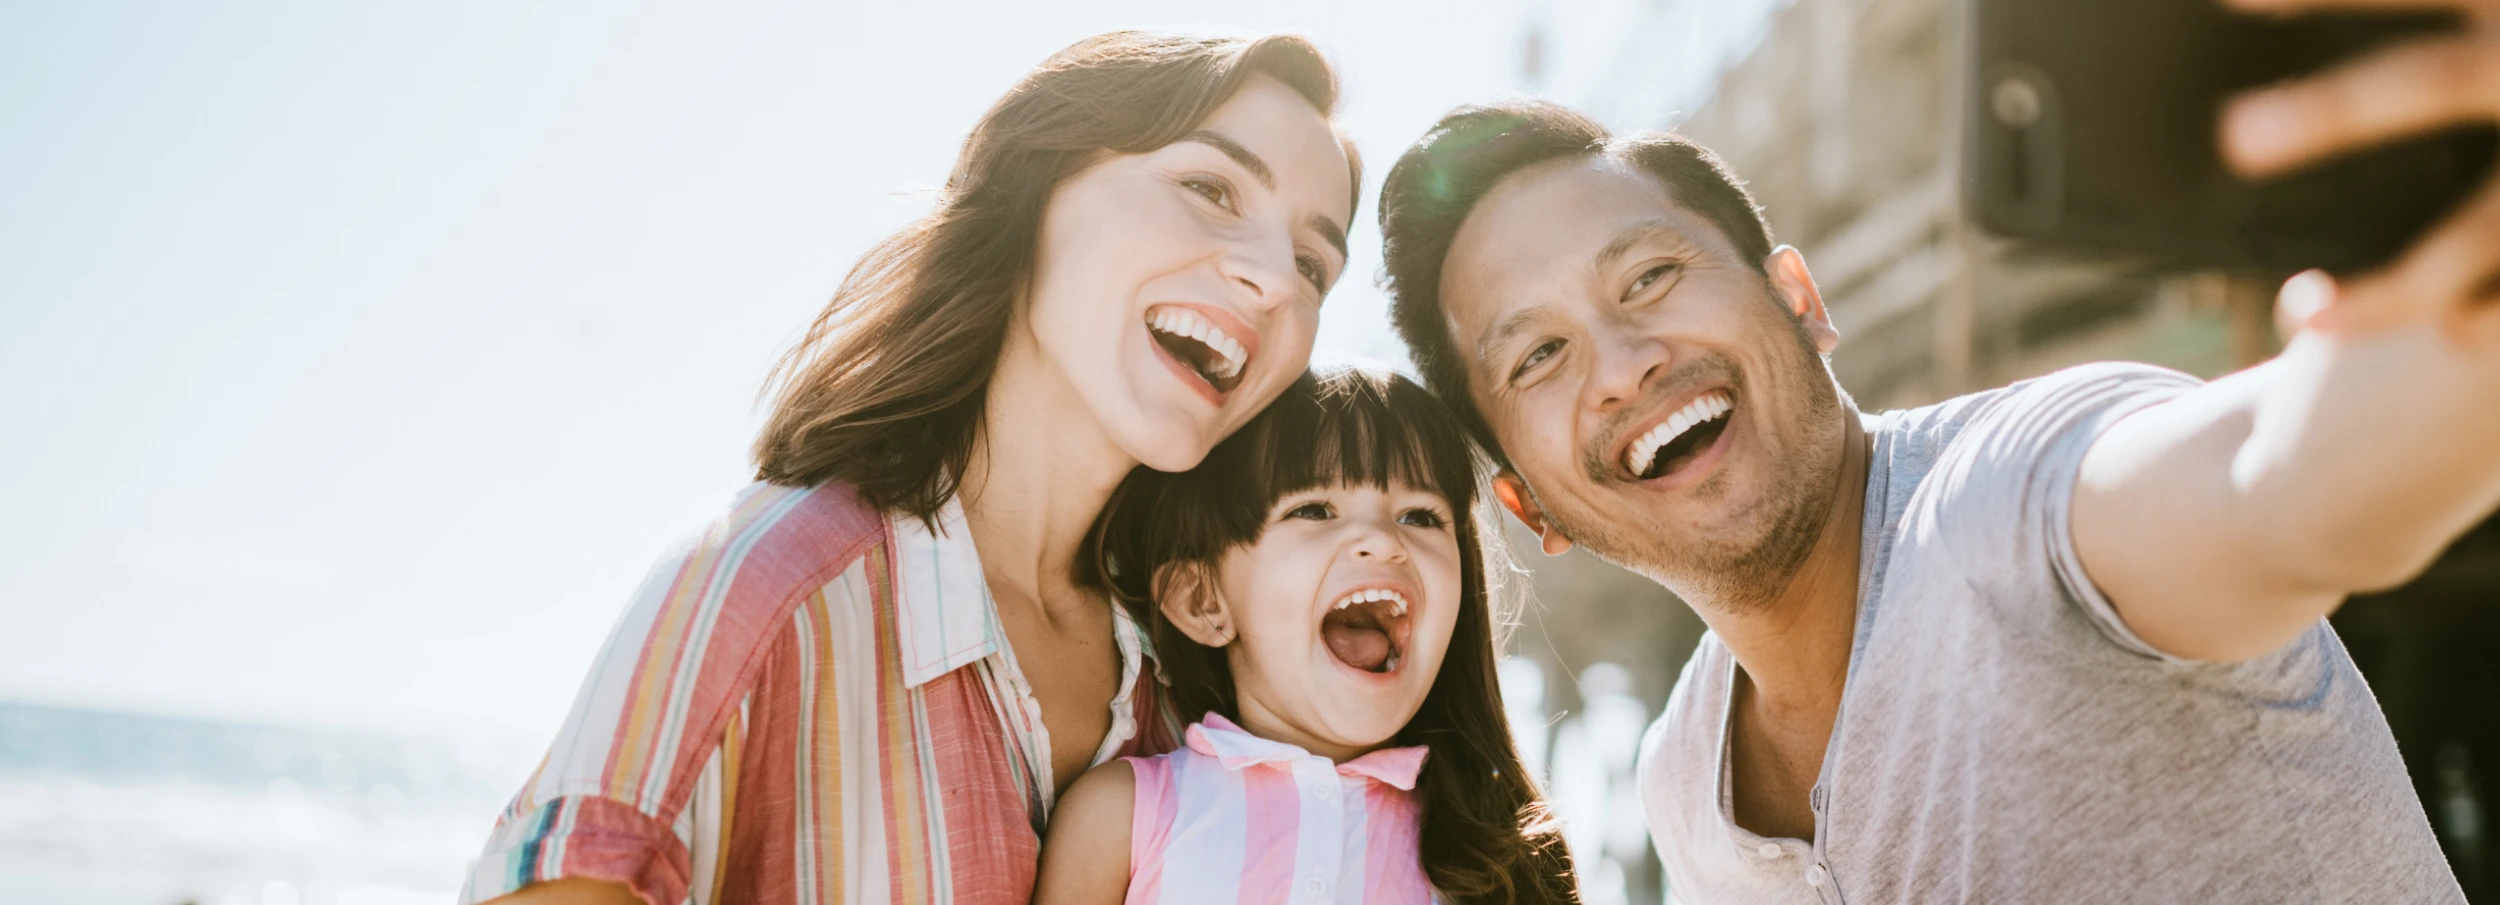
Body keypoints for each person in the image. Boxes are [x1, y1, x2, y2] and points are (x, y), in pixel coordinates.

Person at [1370, 0, 2500, 897]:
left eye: (1652, 276)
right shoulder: (1681, 782)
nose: (1620, 364)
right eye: (1538, 357)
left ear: (1798, 299)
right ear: (1532, 511)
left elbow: (2278, 489)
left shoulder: (2016, 499)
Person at [458, 31, 1360, 905]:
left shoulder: (1204, 681)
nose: (1277, 279)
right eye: (1210, 186)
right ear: (1040, 189)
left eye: (1315, 264)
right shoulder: (774, 590)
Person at [1034, 368, 1579, 905]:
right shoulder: (1124, 819)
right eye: (1314, 509)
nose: (1382, 541)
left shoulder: (1503, 863)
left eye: (1421, 516)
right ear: (1203, 601)